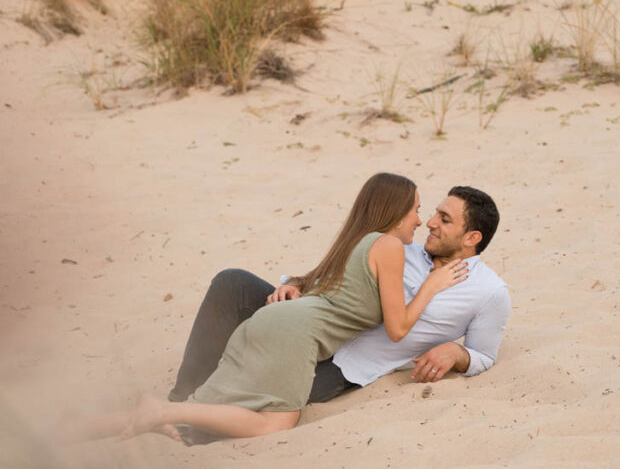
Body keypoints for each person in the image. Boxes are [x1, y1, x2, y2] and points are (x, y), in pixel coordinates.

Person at [88, 173, 467, 444]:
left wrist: (294, 284)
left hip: (275, 321)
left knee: (210, 406)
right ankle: (165, 412)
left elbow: (326, 287)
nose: (420, 220)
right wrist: (432, 286)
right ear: (396, 210)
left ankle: (108, 423)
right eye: (416, 209)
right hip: (296, 334)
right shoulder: (388, 247)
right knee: (277, 423)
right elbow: (397, 327)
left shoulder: (355, 241)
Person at [167, 185, 510, 444]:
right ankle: (183, 396)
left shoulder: (488, 291)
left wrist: (457, 352)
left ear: (472, 238)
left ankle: (191, 425)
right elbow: (337, 277)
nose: (430, 223)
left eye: (444, 219)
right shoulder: (399, 248)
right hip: (311, 319)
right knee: (233, 283)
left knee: (267, 391)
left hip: (342, 364)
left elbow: (483, 354)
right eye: (434, 213)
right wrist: (298, 284)